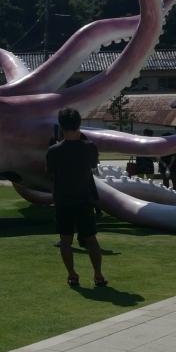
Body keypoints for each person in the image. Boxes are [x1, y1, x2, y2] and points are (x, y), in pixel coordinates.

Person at [46, 107, 107, 288]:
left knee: (66, 240)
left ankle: (72, 275)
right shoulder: (89, 147)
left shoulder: (53, 150)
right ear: (79, 124)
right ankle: (98, 275)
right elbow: (93, 165)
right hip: (84, 198)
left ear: (61, 126)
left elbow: (50, 174)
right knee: (91, 239)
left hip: (63, 199)